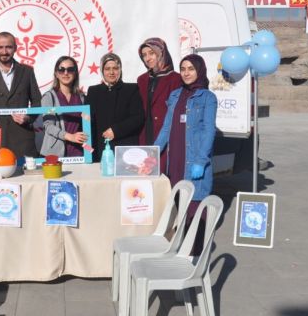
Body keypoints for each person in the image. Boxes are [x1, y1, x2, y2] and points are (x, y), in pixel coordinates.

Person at [154, 53, 217, 201]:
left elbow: (209, 131)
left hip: (193, 156)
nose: (186, 73)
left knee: (193, 199)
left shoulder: (208, 97)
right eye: (183, 69)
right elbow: (166, 128)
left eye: (191, 69)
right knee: (175, 197)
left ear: (199, 70)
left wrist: (201, 161)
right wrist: (153, 152)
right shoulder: (175, 95)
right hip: (175, 155)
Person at [86, 53, 145, 162]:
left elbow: (138, 118)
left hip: (125, 149)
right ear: (102, 71)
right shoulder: (93, 91)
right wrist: (87, 148)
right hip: (100, 150)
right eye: (107, 69)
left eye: (115, 68)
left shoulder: (131, 89)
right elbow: (88, 121)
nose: (111, 72)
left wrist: (116, 130)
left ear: (120, 70)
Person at [137, 38, 182, 174]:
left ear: (161, 53)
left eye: (151, 53)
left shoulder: (176, 79)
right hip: (145, 134)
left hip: (165, 134)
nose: (147, 58)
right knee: (145, 172)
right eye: (144, 55)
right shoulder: (142, 79)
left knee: (163, 174)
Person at [40, 56, 88, 157]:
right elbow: (48, 126)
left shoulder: (82, 97)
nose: (66, 73)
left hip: (78, 152)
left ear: (75, 73)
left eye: (70, 69)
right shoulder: (49, 97)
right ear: (56, 74)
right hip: (54, 154)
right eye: (61, 70)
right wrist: (70, 136)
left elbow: (86, 124)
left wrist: (89, 149)